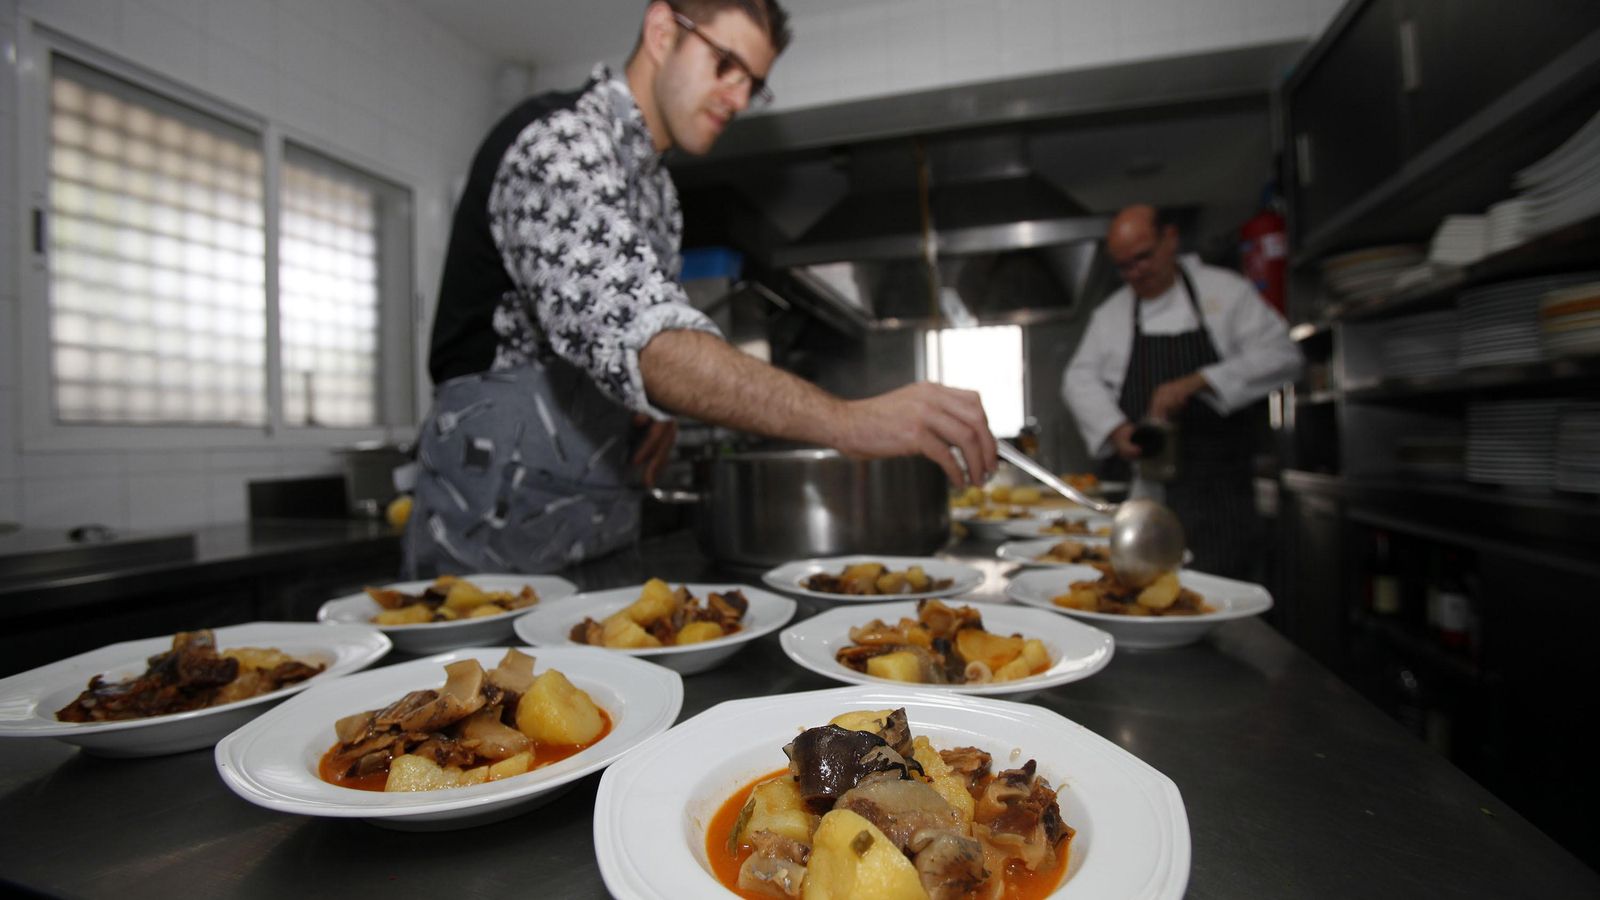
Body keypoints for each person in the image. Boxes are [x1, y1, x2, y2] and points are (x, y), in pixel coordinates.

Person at [406, 0, 996, 576]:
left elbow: (620, 340)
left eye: (753, 84)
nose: (738, 98)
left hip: (597, 531)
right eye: (725, 64)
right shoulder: (562, 143)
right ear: (664, 31)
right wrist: (850, 422)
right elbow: (649, 342)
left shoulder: (657, 195)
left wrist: (651, 406)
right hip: (488, 543)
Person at [1061, 204, 1301, 578]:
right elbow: (1078, 379)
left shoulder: (1225, 293)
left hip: (1218, 496)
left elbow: (1283, 356)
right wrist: (1117, 430)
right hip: (1141, 498)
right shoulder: (1110, 315)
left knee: (1219, 593)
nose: (1136, 273)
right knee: (1133, 587)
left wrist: (1199, 381)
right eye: (1124, 266)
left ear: (1169, 240)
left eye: (1143, 257)